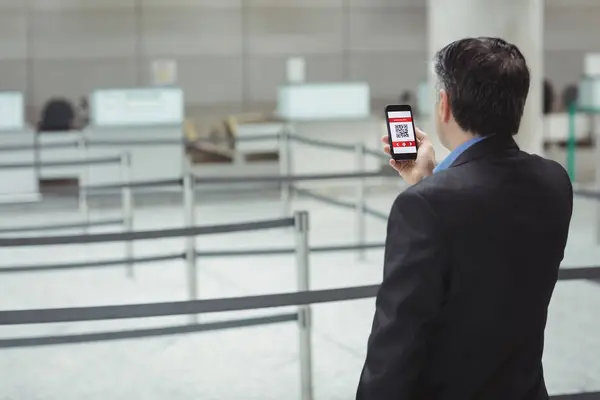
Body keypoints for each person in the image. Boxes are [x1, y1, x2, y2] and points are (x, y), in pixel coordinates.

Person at [357, 37, 573, 400]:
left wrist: (424, 190)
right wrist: (427, 183)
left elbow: (396, 344)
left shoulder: (425, 206)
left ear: (445, 104)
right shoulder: (554, 181)